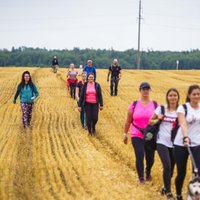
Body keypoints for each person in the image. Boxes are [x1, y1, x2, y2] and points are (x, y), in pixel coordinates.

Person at [123, 82, 158, 184]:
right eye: (144, 89)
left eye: (147, 89)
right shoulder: (134, 105)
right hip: (136, 133)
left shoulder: (155, 105)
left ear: (150, 90)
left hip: (150, 135)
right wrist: (125, 133)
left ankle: (148, 170)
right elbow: (128, 121)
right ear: (140, 90)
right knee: (140, 155)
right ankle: (141, 178)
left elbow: (160, 120)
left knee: (150, 158)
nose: (145, 91)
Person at [150, 88, 180, 200]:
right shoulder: (161, 109)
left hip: (175, 143)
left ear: (178, 97)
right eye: (171, 95)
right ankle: (168, 192)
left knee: (171, 168)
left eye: (175, 95)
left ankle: (164, 186)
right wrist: (158, 119)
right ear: (167, 97)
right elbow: (150, 121)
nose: (173, 97)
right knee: (167, 165)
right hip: (161, 141)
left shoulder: (181, 111)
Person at [173, 85, 200, 200]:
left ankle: (193, 196)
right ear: (189, 95)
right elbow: (182, 123)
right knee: (181, 173)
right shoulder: (183, 108)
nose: (197, 96)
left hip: (197, 143)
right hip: (181, 143)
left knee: (197, 172)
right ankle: (179, 194)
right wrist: (185, 137)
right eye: (194, 94)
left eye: (198, 94)